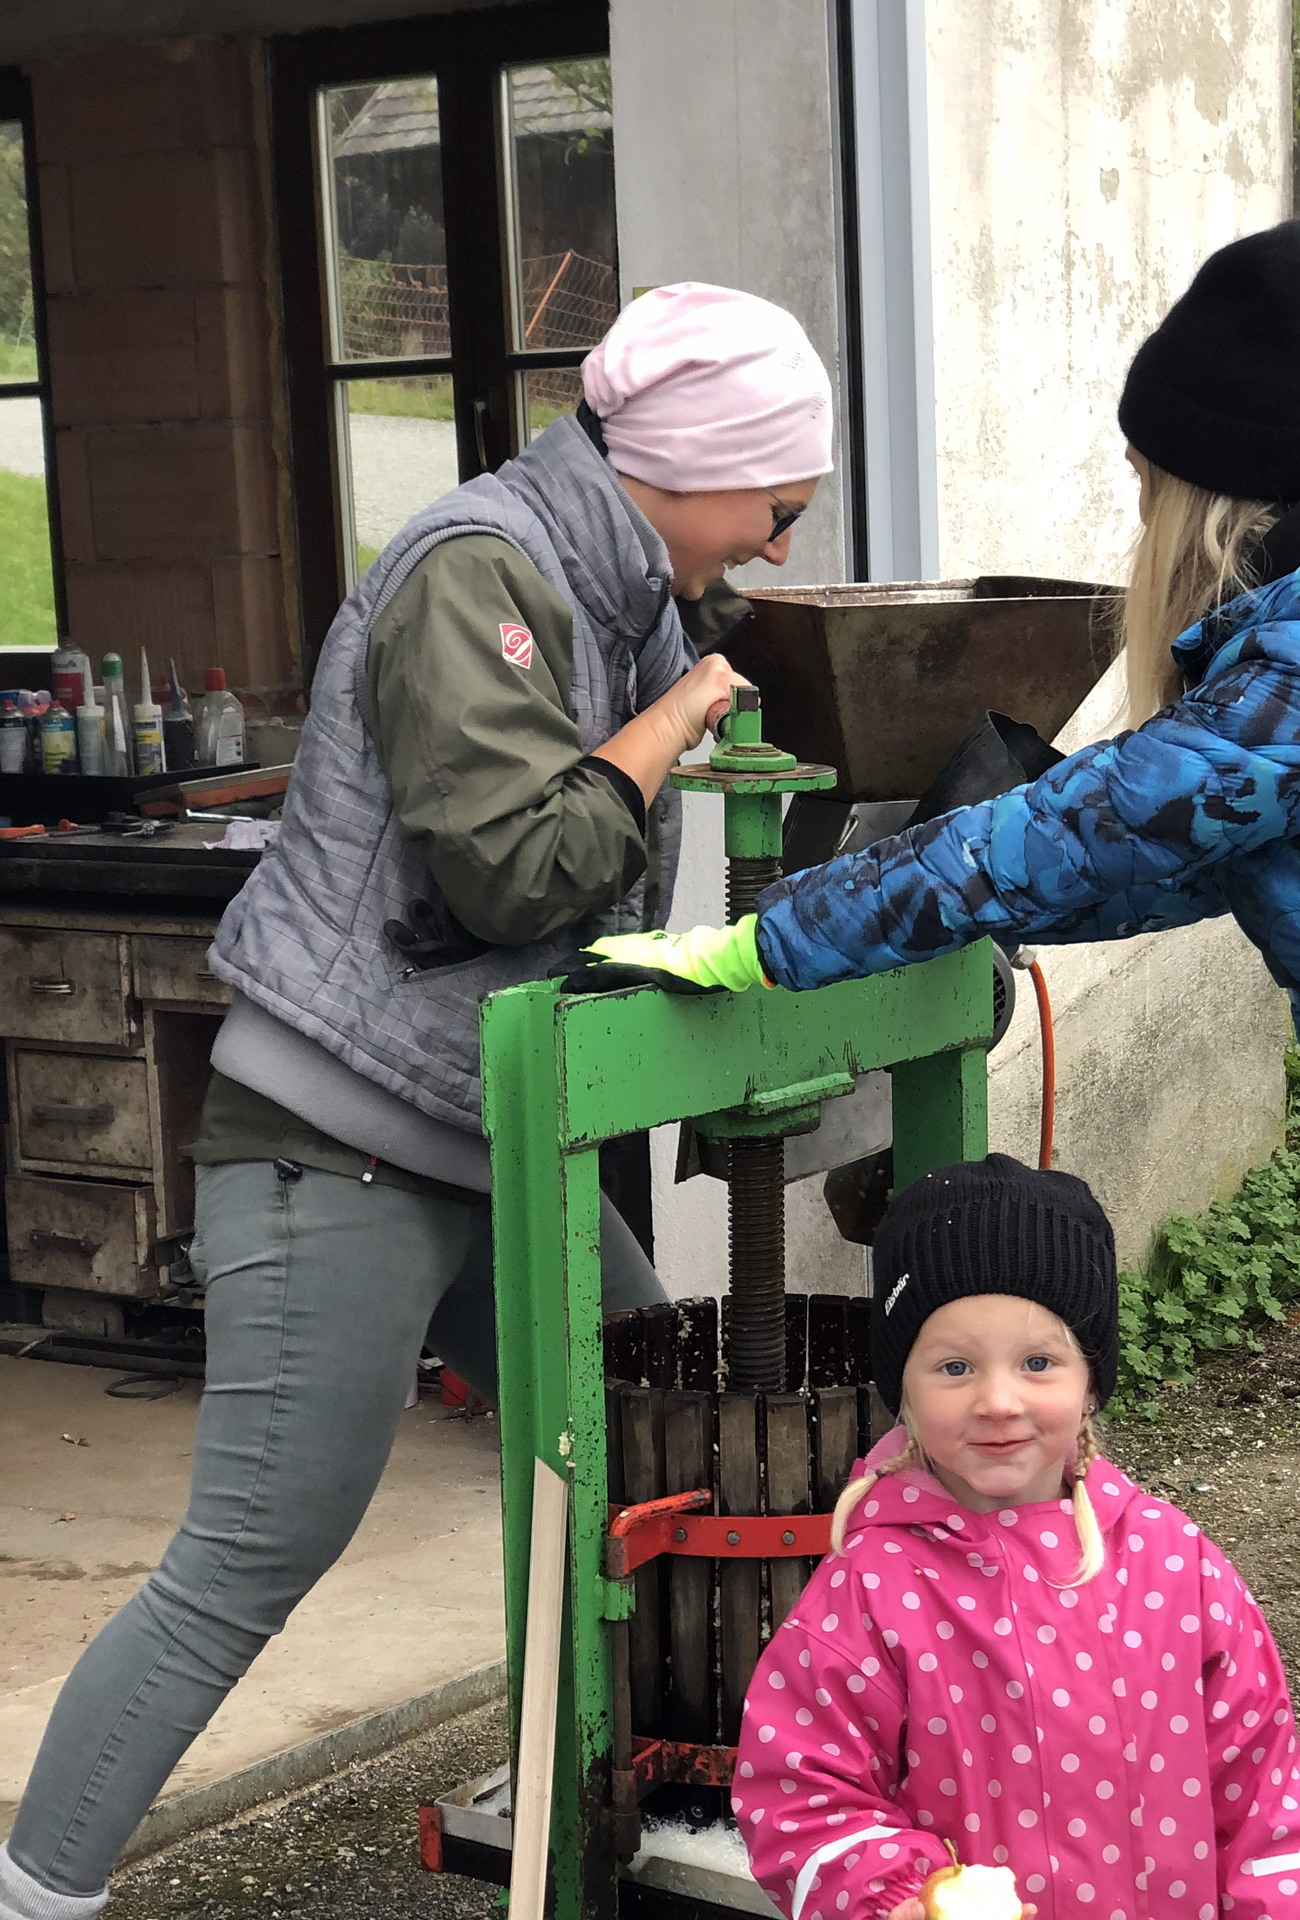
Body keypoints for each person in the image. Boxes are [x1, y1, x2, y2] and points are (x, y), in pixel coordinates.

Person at [577, 224, 1300, 1920]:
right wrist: (996, 870)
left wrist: (772, 940)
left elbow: (1086, 828)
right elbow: (1169, 850)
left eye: (1144, 478)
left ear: (1211, 489)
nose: (1137, 514)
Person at [0, 283, 831, 1920]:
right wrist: (676, 717)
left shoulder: (618, 585)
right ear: (683, 463)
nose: (782, 549)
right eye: (777, 508)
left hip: (489, 1132)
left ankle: (580, 1769)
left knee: (637, 1457)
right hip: (340, 1146)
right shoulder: (476, 575)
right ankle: (35, 1889)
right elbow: (521, 867)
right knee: (253, 1556)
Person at [734, 1155, 1300, 1920]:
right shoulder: (873, 1588)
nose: (997, 1400)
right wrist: (897, 1894)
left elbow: (1267, 1812)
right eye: (954, 1366)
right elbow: (800, 1793)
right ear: (904, 1388)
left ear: (1091, 1380)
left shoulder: (1178, 1567)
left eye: (1038, 1362)